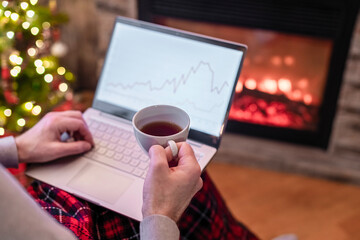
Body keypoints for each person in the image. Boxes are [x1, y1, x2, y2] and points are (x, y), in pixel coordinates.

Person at [0, 111, 259, 240]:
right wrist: (161, 214)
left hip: (40, 205)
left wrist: (18, 147)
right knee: (189, 188)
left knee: (188, 175)